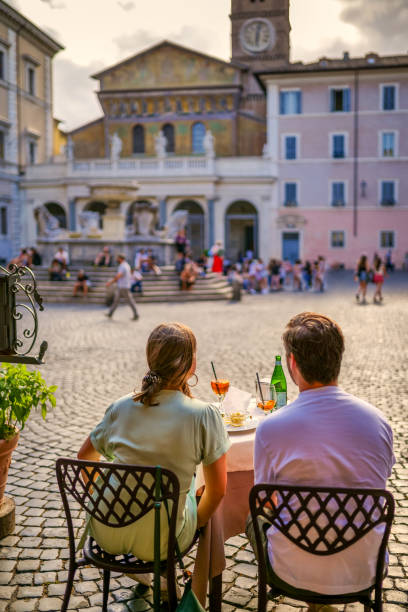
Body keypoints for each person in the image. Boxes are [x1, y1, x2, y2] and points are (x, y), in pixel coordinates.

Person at [248, 312, 394, 600]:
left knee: (251, 521)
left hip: (293, 568)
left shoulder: (270, 428)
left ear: (292, 363)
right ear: (339, 357)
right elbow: (378, 485)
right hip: (364, 568)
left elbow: (265, 501)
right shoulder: (379, 423)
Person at [77, 322, 229, 586]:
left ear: (151, 359)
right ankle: (189, 586)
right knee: (198, 487)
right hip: (162, 541)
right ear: (191, 364)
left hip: (106, 530)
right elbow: (218, 490)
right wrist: (195, 524)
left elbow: (84, 457)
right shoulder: (204, 415)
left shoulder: (121, 406)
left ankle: (148, 575)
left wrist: (99, 495)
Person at [105, 254, 139, 320]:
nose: (116, 260)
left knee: (130, 301)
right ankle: (110, 313)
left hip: (124, 286)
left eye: (118, 258)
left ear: (121, 259)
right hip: (122, 286)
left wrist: (110, 282)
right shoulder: (126, 265)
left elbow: (118, 276)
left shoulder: (123, 266)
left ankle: (136, 314)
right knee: (116, 300)